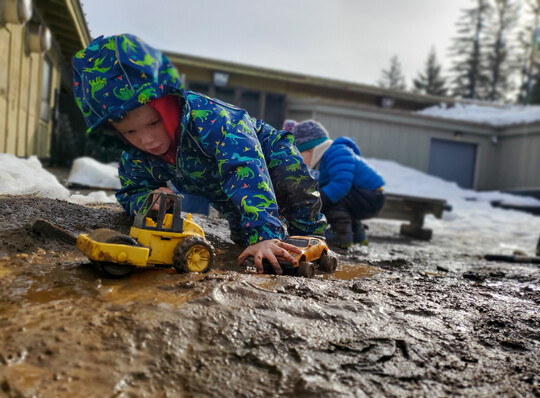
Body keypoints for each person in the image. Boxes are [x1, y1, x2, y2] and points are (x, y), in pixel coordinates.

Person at [72, 34, 326, 274]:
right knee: (244, 238)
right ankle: (269, 244)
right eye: (129, 132)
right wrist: (148, 199)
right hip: (219, 186)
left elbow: (244, 169)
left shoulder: (213, 119)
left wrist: (265, 235)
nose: (145, 140)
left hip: (262, 159)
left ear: (169, 107)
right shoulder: (136, 155)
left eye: (153, 124)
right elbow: (131, 191)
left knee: (293, 190)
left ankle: (313, 242)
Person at [285, 119, 385, 248]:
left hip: (371, 196)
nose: (300, 163)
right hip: (361, 196)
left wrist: (317, 200)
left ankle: (342, 236)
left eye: (299, 156)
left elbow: (342, 183)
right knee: (332, 198)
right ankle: (358, 236)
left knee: (331, 199)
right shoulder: (321, 161)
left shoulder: (337, 151)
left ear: (311, 149)